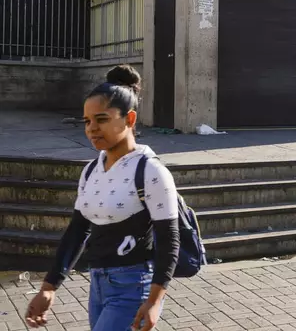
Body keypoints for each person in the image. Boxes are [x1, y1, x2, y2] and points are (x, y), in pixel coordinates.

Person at [24, 65, 180, 331]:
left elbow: (169, 240)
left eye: (102, 119)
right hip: (97, 283)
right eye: (87, 121)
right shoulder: (91, 169)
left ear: (129, 119)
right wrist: (49, 287)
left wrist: (154, 300)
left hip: (133, 285)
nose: (91, 129)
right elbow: (77, 230)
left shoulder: (150, 170)